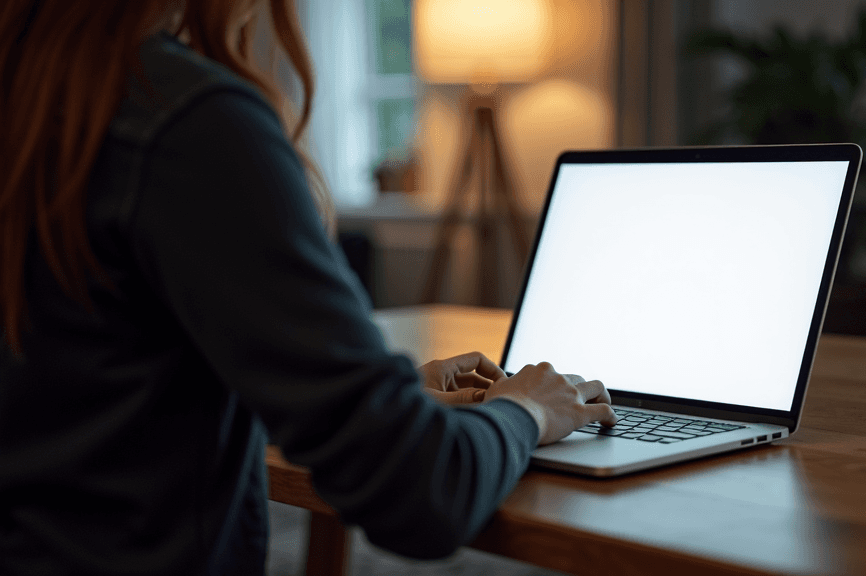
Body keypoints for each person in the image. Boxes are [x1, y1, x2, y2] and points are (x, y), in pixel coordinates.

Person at [0, 1, 617, 574]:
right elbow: (419, 493)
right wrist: (530, 408)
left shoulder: (36, 98)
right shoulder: (185, 122)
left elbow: (78, 399)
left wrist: (360, 401)